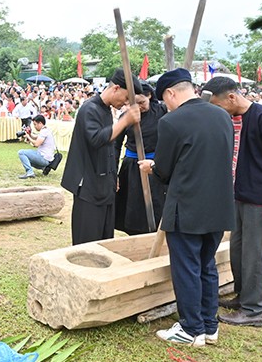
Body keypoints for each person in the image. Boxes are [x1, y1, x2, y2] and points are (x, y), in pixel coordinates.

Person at [138, 69, 235, 347]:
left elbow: (165, 171)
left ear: (170, 93)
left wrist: (151, 167)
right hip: (218, 206)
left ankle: (191, 328)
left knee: (186, 267)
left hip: (187, 207)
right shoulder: (222, 116)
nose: (165, 105)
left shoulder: (172, 121)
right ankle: (209, 325)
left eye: (164, 99)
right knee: (207, 265)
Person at [203, 76, 262, 328]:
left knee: (254, 254)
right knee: (238, 250)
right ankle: (244, 297)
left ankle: (255, 311)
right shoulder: (231, 120)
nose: (218, 111)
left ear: (232, 97)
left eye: (219, 106)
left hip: (260, 198)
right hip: (238, 195)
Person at [61, 69, 142, 244]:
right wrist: (125, 121)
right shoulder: (88, 109)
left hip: (105, 184)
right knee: (87, 242)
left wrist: (113, 174)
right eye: (126, 97)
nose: (126, 103)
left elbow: (109, 146)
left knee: (104, 241)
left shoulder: (106, 110)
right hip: (89, 185)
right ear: (116, 89)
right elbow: (97, 139)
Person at [114, 82, 168, 235]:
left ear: (150, 96)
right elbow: (116, 146)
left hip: (154, 166)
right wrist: (114, 172)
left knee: (157, 206)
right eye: (134, 104)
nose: (139, 107)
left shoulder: (162, 111)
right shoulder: (126, 117)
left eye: (142, 102)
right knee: (133, 208)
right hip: (132, 167)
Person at [17, 114, 57, 178]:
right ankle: (44, 168)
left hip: (44, 158)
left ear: (40, 123)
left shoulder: (44, 132)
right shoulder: (46, 130)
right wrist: (29, 134)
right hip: (47, 159)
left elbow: (36, 144)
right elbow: (36, 137)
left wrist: (28, 137)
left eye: (35, 124)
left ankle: (30, 172)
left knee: (21, 152)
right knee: (27, 158)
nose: (35, 127)